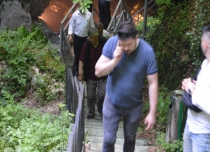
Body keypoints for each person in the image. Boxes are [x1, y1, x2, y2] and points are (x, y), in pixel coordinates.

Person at [95, 21, 158, 152]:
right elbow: (98, 71)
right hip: (112, 101)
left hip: (134, 105)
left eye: (129, 44)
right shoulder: (112, 43)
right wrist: (115, 60)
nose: (125, 48)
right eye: (122, 45)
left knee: (130, 139)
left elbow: (153, 83)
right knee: (108, 140)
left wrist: (152, 113)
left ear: (136, 37)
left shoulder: (147, 52)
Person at [181, 24, 210, 152]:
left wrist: (191, 90)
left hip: (203, 133)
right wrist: (192, 83)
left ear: (205, 44)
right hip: (191, 125)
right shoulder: (205, 63)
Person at [78, 27, 107, 119]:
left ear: (96, 36)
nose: (89, 39)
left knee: (103, 93)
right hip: (90, 74)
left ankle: (99, 105)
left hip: (102, 74)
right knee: (90, 95)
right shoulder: (86, 45)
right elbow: (81, 59)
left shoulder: (103, 42)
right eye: (89, 37)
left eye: (91, 37)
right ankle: (91, 112)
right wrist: (80, 73)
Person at [68, 8, 94, 76]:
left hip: (86, 38)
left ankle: (86, 70)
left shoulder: (89, 14)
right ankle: (77, 70)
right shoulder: (75, 14)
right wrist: (70, 35)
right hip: (77, 38)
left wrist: (92, 37)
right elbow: (71, 25)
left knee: (87, 54)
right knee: (78, 54)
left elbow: (92, 26)